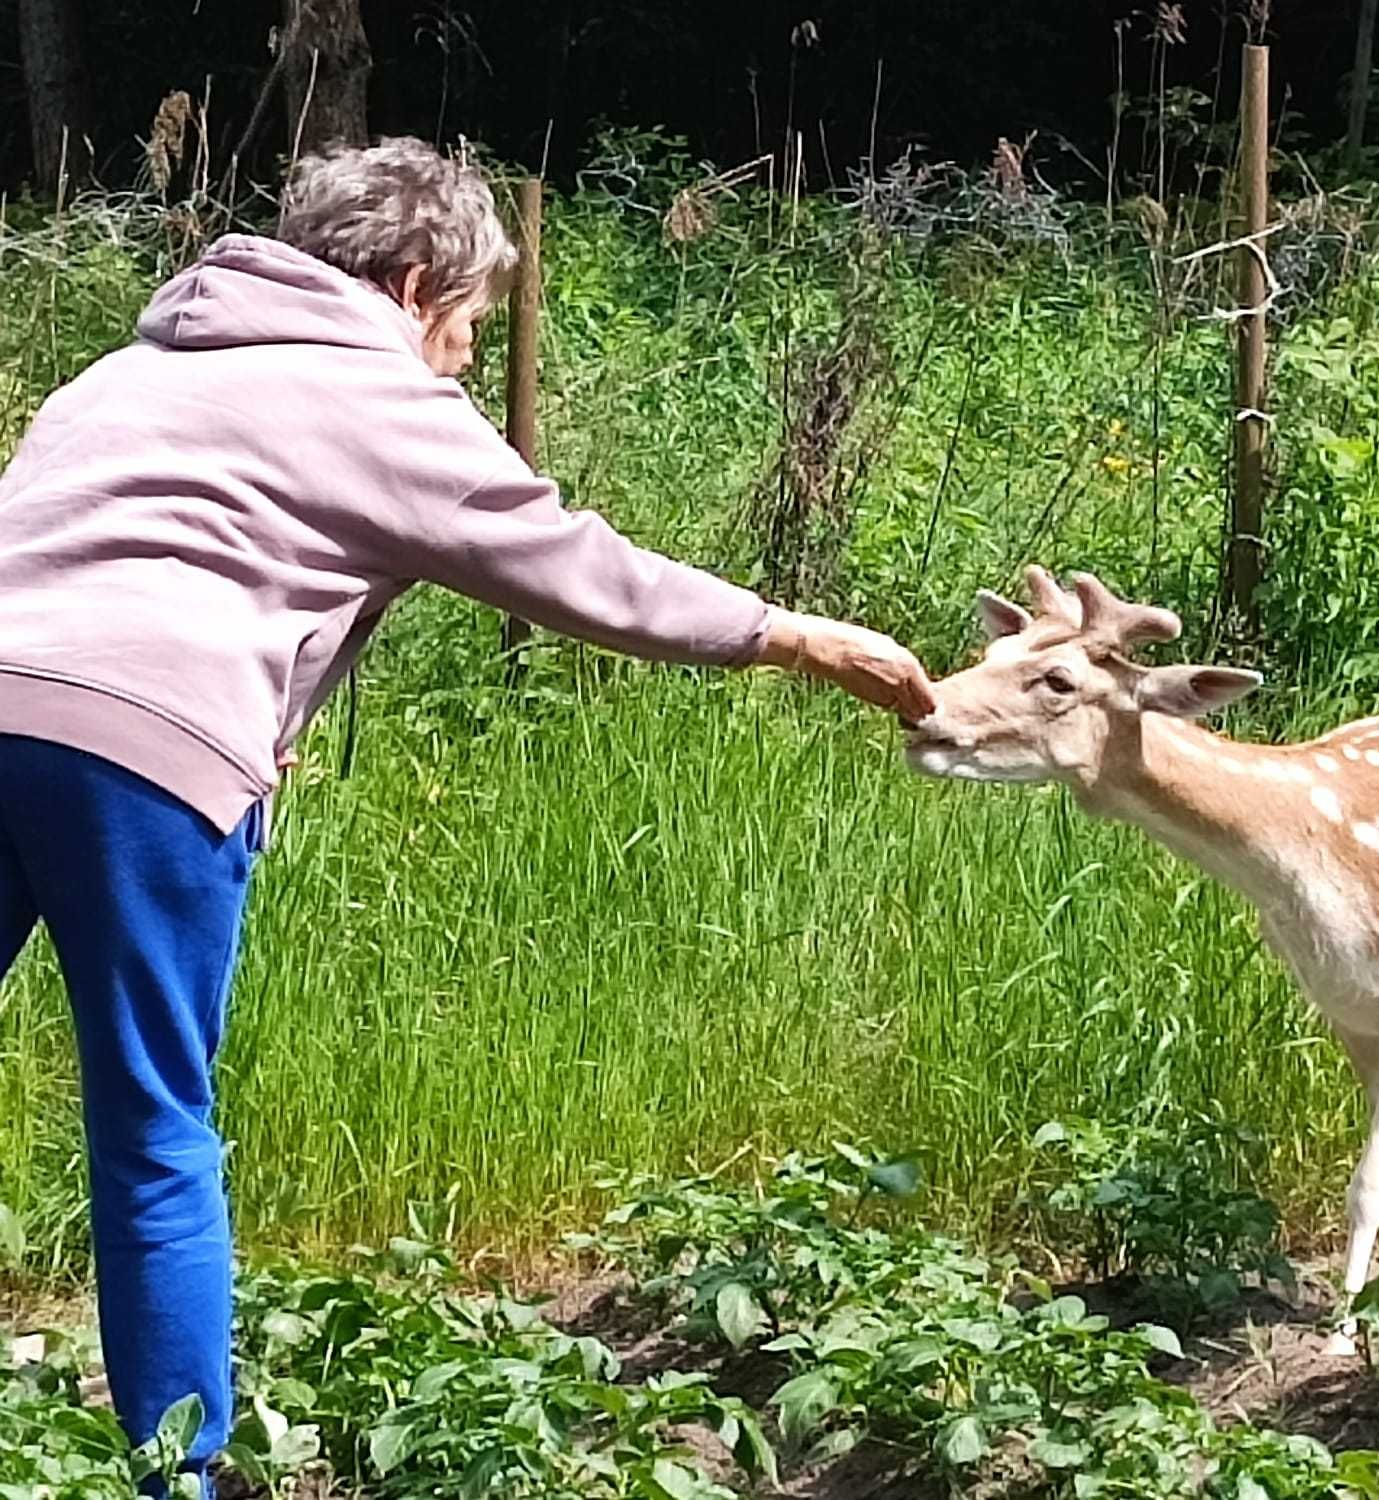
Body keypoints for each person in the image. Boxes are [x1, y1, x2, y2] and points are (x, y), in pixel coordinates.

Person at [0, 136, 935, 1484]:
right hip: (147, 748)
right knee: (154, 1131)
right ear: (418, 281)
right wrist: (796, 637)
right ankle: (176, 1479)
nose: (461, 360)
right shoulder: (373, 388)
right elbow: (572, 566)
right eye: (471, 329)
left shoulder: (128, 369)